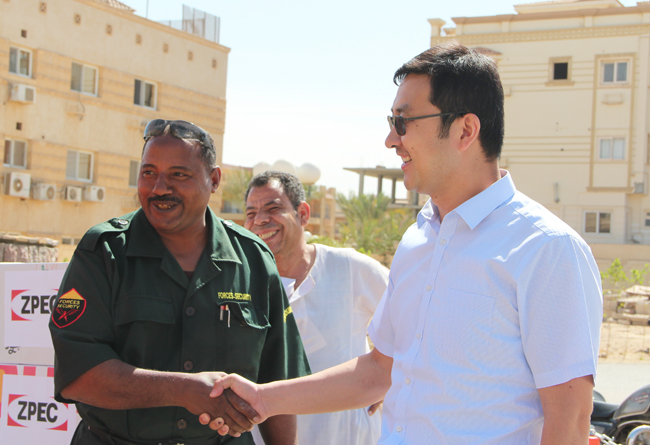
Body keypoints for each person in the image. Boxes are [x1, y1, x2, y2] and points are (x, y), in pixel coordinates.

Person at [205, 42, 603, 445]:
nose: (390, 139)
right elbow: (379, 371)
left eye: (403, 121)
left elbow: (569, 419)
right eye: (391, 121)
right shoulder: (418, 240)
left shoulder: (546, 249)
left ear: (465, 130)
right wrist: (263, 398)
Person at [49, 119, 309, 445]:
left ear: (214, 180)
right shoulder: (104, 252)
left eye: (178, 175)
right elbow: (79, 373)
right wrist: (183, 390)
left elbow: (278, 382)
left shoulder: (254, 259)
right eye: (148, 173)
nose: (159, 188)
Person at [243, 171, 388, 445]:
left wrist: (391, 380)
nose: (259, 220)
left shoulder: (349, 268)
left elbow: (417, 323)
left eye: (273, 209)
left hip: (345, 437)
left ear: (303, 214)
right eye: (251, 213)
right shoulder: (240, 282)